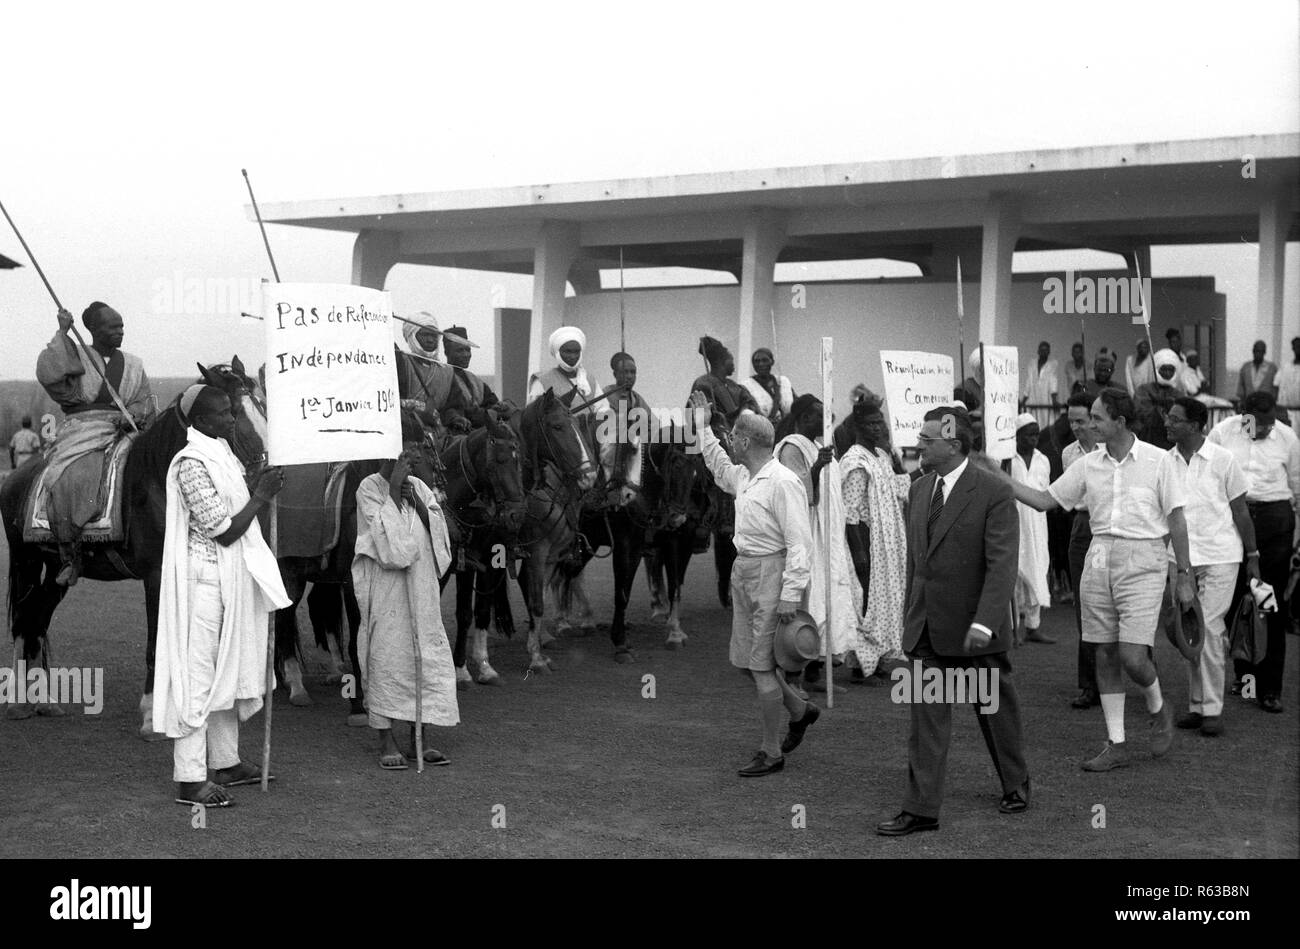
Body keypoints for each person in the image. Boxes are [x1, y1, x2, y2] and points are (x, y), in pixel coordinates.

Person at [1007, 388, 1195, 772]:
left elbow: (1176, 520)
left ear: (1120, 422)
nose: (1089, 424)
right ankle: (1117, 743)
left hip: (1144, 558)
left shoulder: (1159, 461)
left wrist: (1185, 575)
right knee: (1104, 652)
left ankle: (1159, 706)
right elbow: (1046, 501)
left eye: (1096, 418)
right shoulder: (1087, 464)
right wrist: (998, 478)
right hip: (1098, 557)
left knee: (1132, 655)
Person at [876, 407, 1029, 836]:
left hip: (977, 633)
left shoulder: (994, 493)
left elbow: (1002, 565)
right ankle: (921, 809)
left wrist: (985, 622)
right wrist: (909, 618)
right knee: (925, 722)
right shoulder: (920, 490)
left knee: (994, 711)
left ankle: (1016, 782)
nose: (919, 444)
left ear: (954, 444)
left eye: (927, 439)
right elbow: (915, 565)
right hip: (927, 630)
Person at [152, 385, 290, 808]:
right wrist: (262, 495)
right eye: (224, 413)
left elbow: (233, 503)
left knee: (228, 668)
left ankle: (226, 762)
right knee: (197, 678)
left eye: (232, 411)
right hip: (204, 583)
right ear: (200, 420)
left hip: (231, 580)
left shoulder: (222, 453)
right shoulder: (190, 462)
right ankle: (190, 779)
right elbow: (224, 529)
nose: (232, 418)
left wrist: (257, 481)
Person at [688, 389, 816, 777]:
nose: (730, 442)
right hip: (744, 573)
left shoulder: (782, 482)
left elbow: (800, 543)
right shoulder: (745, 474)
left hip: (771, 576)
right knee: (745, 661)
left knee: (760, 667)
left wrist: (790, 594)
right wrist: (701, 425)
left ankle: (771, 751)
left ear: (745, 440)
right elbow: (716, 463)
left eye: (733, 437)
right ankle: (800, 710)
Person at [353, 411, 460, 769]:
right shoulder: (369, 488)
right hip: (387, 588)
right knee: (387, 653)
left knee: (426, 654)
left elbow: (441, 538)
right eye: (404, 452)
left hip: (422, 586)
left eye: (414, 452)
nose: (410, 458)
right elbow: (391, 550)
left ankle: (422, 737)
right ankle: (387, 739)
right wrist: (394, 488)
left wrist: (413, 498)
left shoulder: (422, 488)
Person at [36, 303, 156, 585]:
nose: (120, 332)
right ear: (92, 329)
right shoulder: (76, 354)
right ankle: (70, 551)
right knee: (70, 475)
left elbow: (143, 399)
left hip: (127, 426)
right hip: (84, 428)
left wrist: (136, 416)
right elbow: (50, 376)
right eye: (113, 327)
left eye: (122, 326)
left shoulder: (134, 364)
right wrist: (63, 333)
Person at [1165, 397, 1258, 737]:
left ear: (1194, 424)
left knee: (1212, 628)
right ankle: (1196, 703)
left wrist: (1253, 557)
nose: (1167, 423)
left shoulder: (1224, 459)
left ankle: (1212, 709)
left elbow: (1241, 512)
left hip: (1221, 554)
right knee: (1186, 630)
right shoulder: (1165, 461)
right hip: (1180, 559)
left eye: (1175, 419)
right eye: (1168, 417)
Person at [1208, 391, 1299, 714]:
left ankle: (1270, 689)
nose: (1264, 430)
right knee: (1236, 604)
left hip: (1274, 524)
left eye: (1269, 424)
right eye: (1257, 424)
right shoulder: (1222, 434)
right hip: (1234, 521)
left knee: (1268, 603)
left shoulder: (1287, 438)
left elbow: (1297, 488)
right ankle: (1246, 681)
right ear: (1241, 413)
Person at [773, 394, 855, 693]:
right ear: (804, 417)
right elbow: (798, 493)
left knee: (830, 598)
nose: (825, 421)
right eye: (819, 415)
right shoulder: (792, 447)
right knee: (809, 600)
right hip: (808, 535)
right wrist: (818, 468)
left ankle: (816, 673)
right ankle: (792, 674)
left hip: (830, 535)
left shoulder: (822, 446)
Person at [838, 402, 910, 683]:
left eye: (880, 422)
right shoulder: (856, 462)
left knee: (886, 601)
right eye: (870, 423)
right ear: (858, 427)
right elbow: (850, 513)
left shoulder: (881, 456)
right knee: (866, 602)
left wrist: (895, 456)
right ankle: (860, 665)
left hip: (887, 541)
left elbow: (901, 490)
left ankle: (879, 659)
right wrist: (860, 554)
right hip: (867, 541)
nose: (877, 427)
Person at [1061, 392, 1100, 709]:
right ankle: (1089, 685)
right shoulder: (1068, 454)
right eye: (1071, 420)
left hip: (1109, 526)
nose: (1075, 427)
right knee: (1083, 607)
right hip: (1081, 525)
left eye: (1081, 420)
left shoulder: (1109, 448)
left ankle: (1142, 674)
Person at [1006, 414, 1054, 644]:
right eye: (1029, 435)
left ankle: (1033, 626)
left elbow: (1043, 492)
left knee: (1038, 568)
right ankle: (1013, 627)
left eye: (1036, 434)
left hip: (1036, 522)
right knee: (1013, 573)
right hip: (1014, 521)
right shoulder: (1007, 460)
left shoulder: (1043, 460)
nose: (1034, 439)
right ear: (1017, 436)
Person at [594, 352, 650, 508]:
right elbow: (598, 422)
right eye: (625, 372)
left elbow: (652, 425)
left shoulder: (637, 399)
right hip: (608, 450)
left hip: (633, 454)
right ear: (615, 374)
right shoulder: (604, 395)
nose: (629, 376)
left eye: (633, 372)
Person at [395, 311, 457, 434]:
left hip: (438, 433)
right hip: (406, 431)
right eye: (425, 335)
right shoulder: (400, 362)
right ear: (412, 336)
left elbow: (452, 406)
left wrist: (455, 418)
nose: (430, 340)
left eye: (434, 336)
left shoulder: (447, 371)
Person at [442, 325, 508, 430]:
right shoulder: (442, 377)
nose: (466, 354)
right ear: (447, 352)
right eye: (460, 350)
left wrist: (499, 407)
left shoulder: (475, 380)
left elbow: (491, 402)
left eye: (468, 350)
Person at [528, 325, 601, 418]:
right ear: (557, 352)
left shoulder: (590, 380)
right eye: (567, 351)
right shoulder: (542, 380)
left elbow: (603, 410)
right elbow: (532, 417)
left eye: (576, 351)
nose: (572, 356)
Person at [1133, 348, 1182, 448]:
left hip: (1171, 444)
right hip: (1147, 442)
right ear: (1156, 369)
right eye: (1164, 369)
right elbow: (1141, 416)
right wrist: (1158, 405)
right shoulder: (1143, 390)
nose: (1167, 373)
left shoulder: (1179, 394)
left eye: (1171, 370)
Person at [739, 348, 794, 426]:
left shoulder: (782, 382)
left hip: (784, 429)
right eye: (757, 361)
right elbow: (747, 409)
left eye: (765, 360)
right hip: (761, 428)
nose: (761, 364)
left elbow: (794, 405)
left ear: (772, 362)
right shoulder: (747, 385)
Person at [1021, 340, 1059, 428]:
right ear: (1038, 351)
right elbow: (1029, 381)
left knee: (1047, 421)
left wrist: (1054, 400)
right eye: (1042, 350)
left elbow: (1053, 381)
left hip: (1046, 397)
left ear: (1049, 352)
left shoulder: (1053, 364)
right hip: (1034, 397)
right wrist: (1023, 400)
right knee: (1034, 421)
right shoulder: (1032, 363)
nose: (1043, 352)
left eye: (1046, 350)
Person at [1235, 340, 1278, 404]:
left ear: (1265, 352)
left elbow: (1275, 390)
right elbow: (1240, 389)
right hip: (1249, 407)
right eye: (1257, 351)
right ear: (1253, 351)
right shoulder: (1245, 367)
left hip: (1266, 408)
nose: (1259, 354)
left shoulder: (1272, 368)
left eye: (1261, 351)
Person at [1275, 336, 1300, 428]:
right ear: (1293, 348)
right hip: (1286, 414)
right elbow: (1275, 386)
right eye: (1296, 347)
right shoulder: (1285, 367)